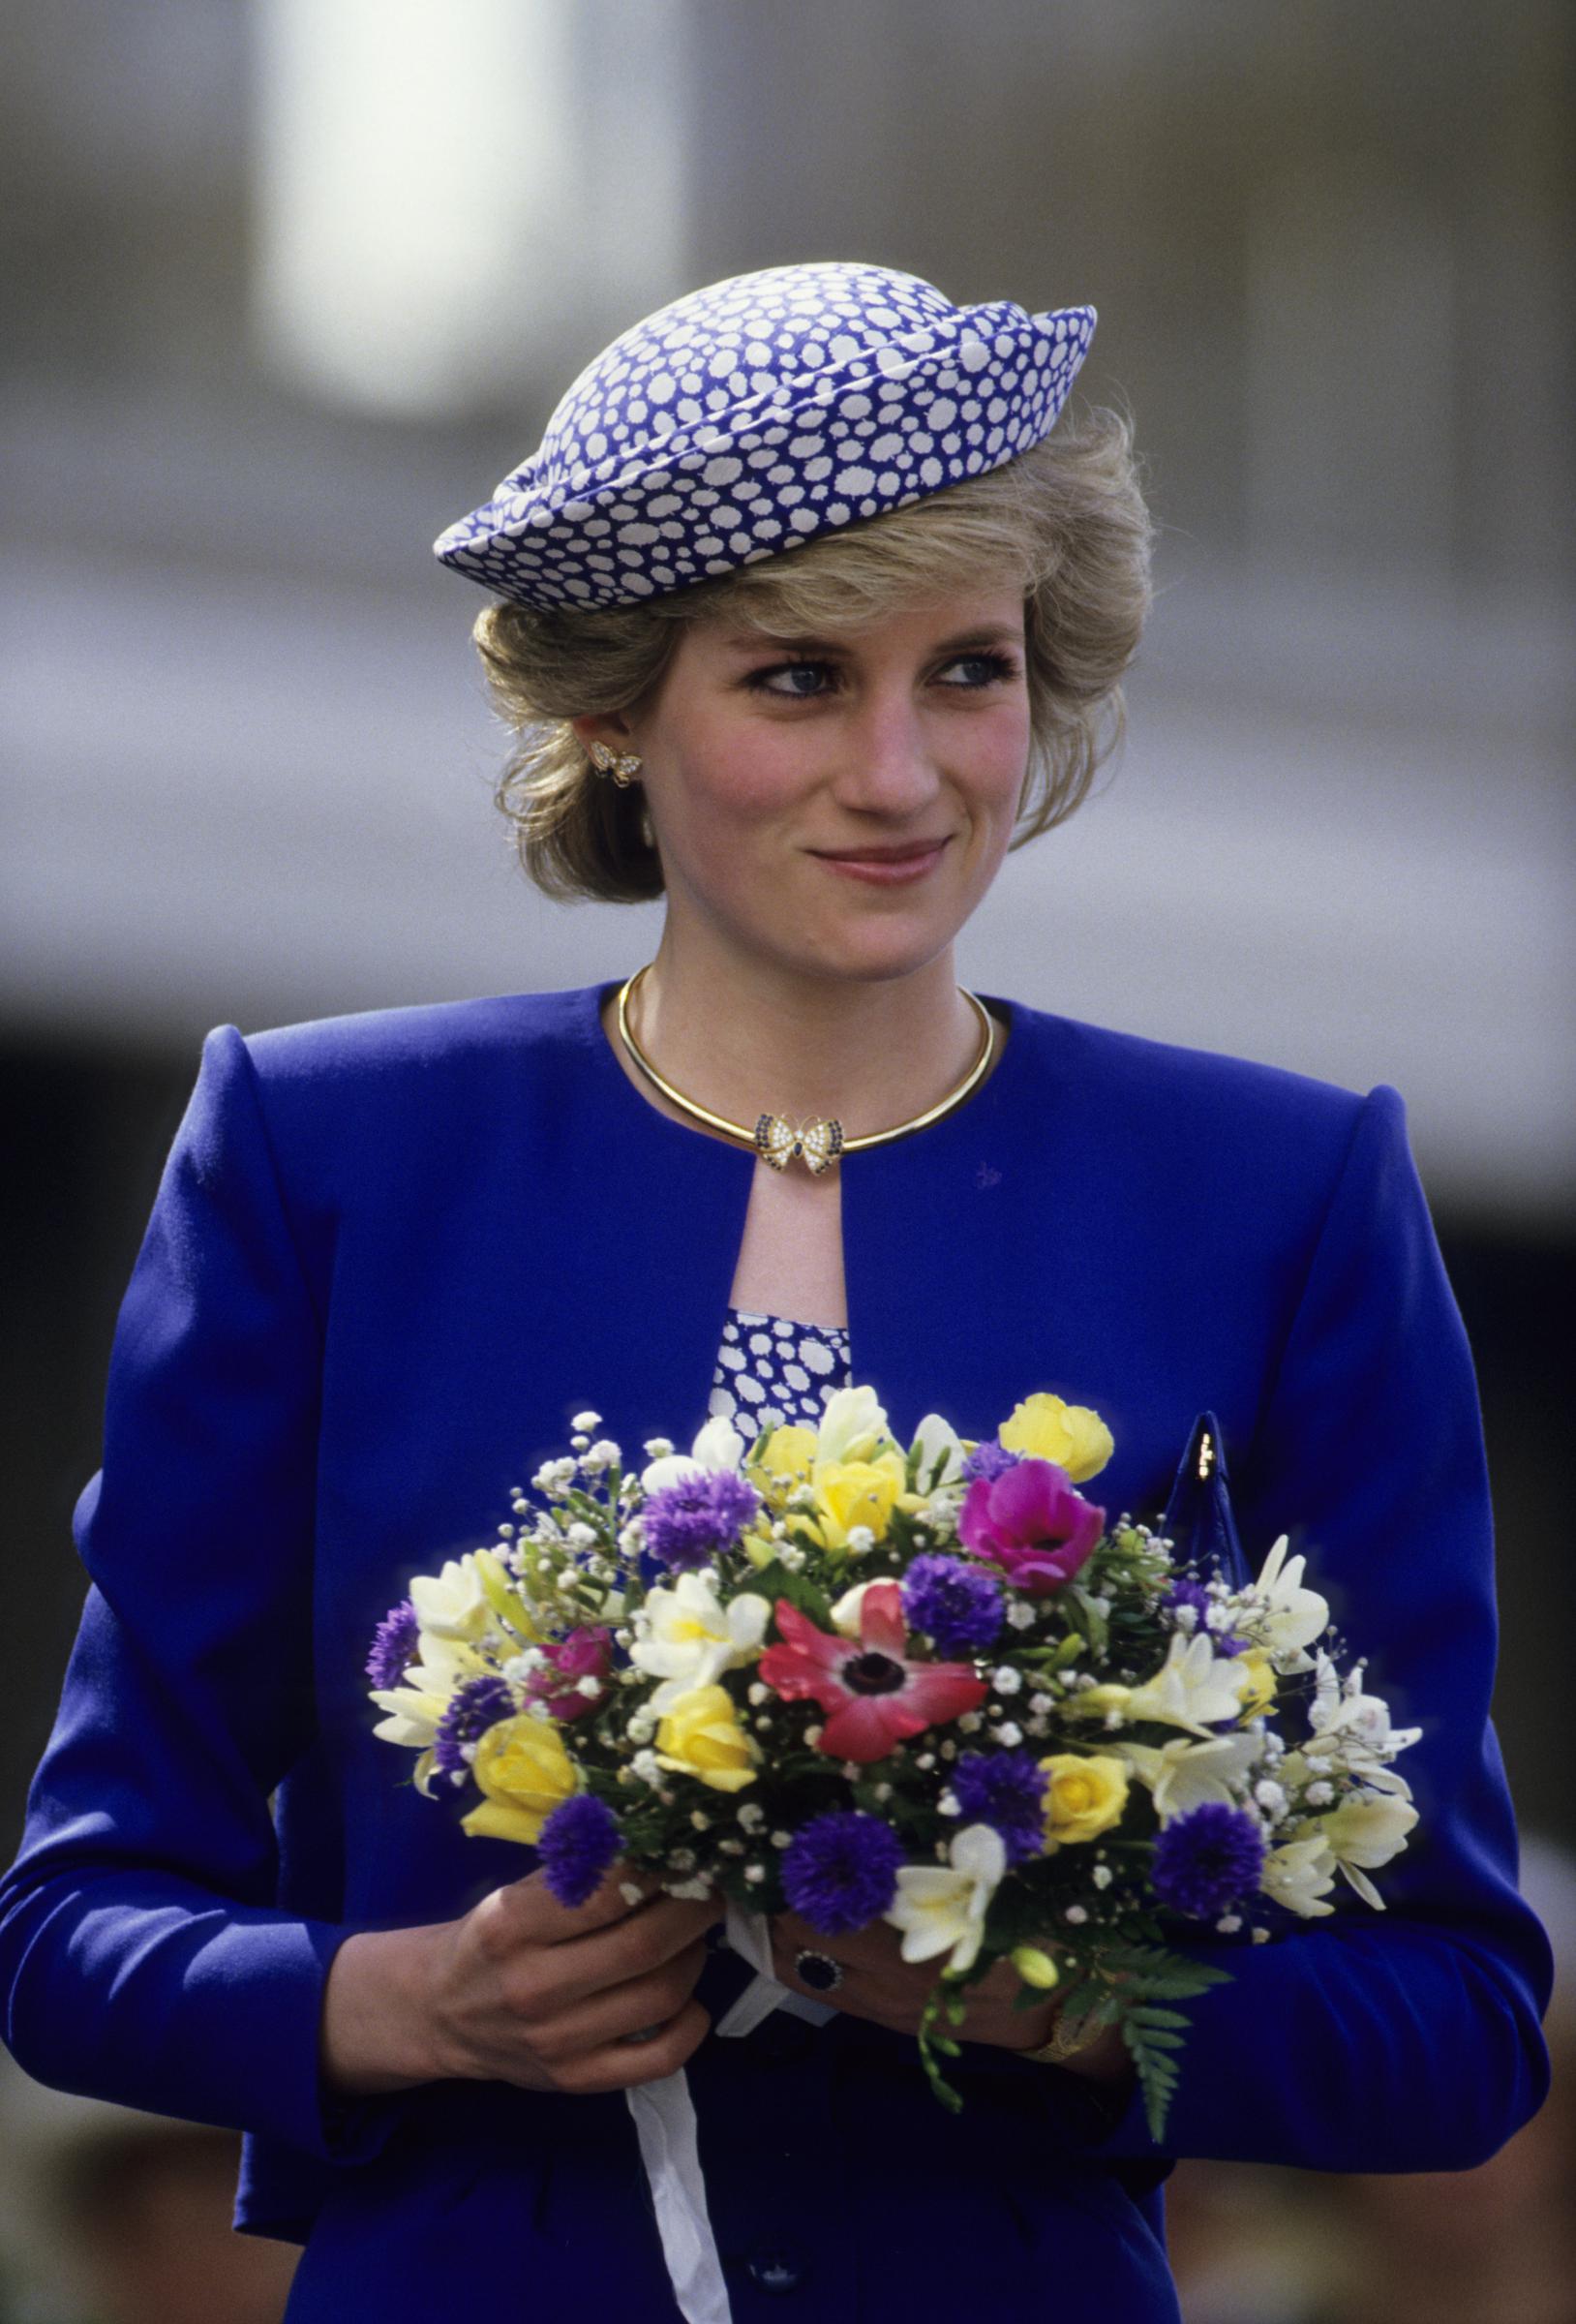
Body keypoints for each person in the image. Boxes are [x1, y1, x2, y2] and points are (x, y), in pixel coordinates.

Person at [0, 260, 1553, 2324]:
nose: (904, 775)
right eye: (800, 677)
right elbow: (77, 1932)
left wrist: (1070, 2008)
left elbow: (1453, 2019)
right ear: (614, 710)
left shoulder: (1282, 1193)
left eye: (972, 672)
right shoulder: (322, 1153)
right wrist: (415, 2002)